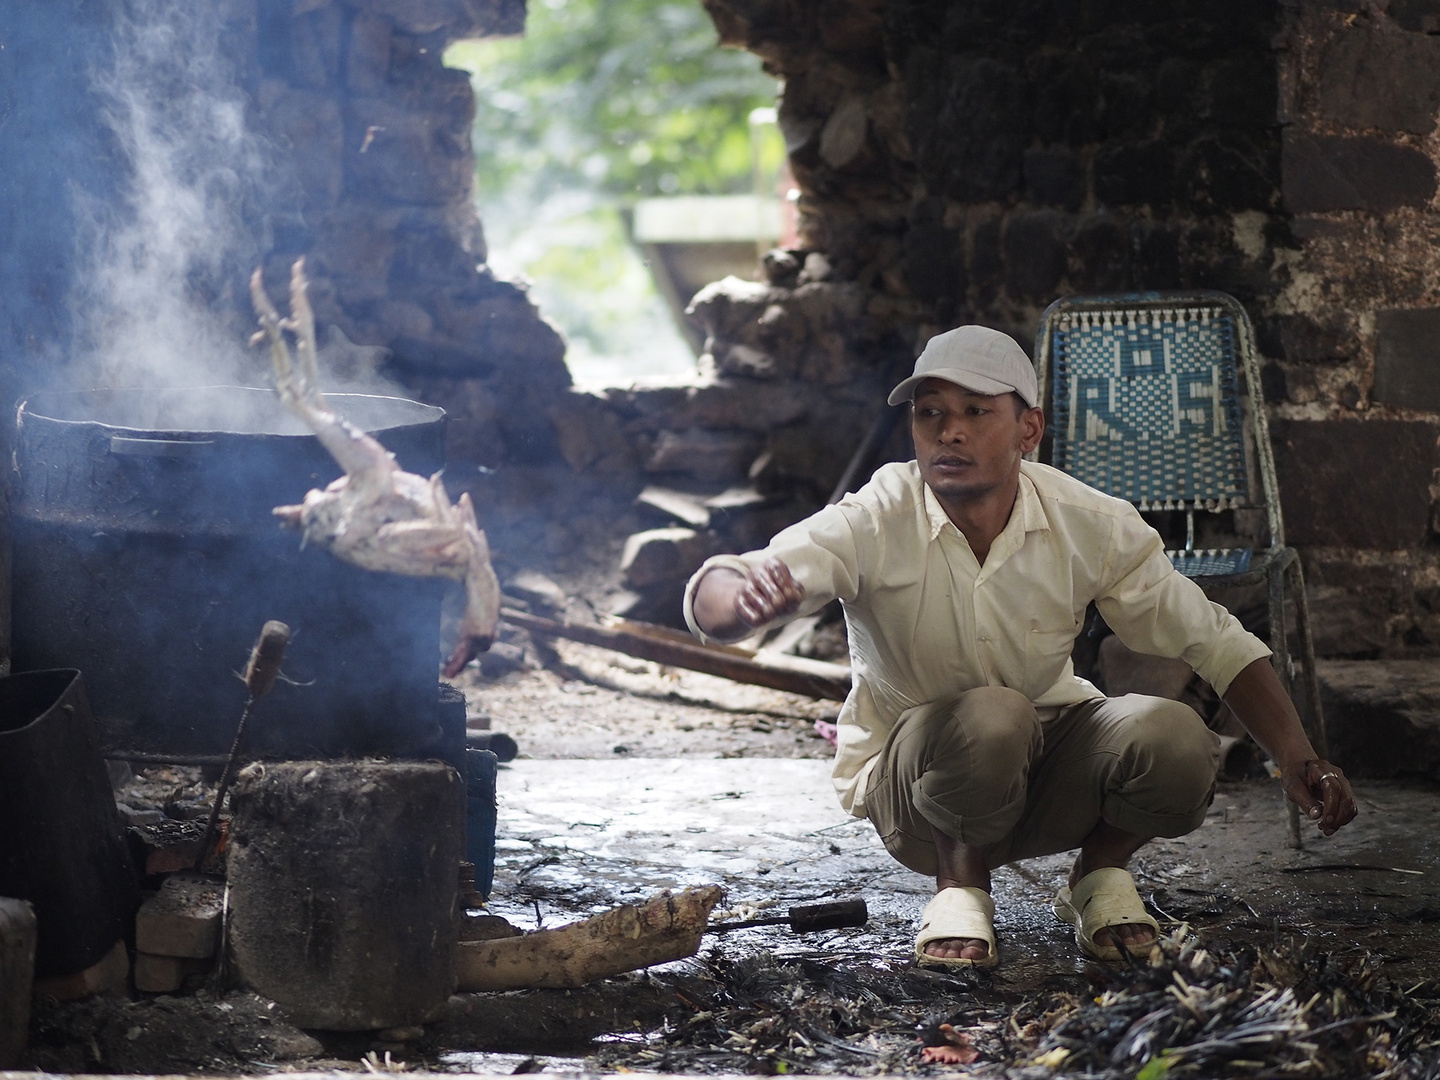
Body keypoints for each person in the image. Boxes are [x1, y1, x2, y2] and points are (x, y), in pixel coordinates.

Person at [684, 325, 1357, 968]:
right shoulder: (877, 513)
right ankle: (960, 887)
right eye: (931, 413)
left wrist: (1297, 756)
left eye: (977, 411)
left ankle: (1096, 878)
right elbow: (733, 583)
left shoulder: (1087, 521)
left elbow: (1213, 639)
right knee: (991, 715)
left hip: (1045, 773)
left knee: (1179, 737)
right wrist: (733, 601)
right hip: (917, 792)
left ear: (1028, 429)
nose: (950, 430)